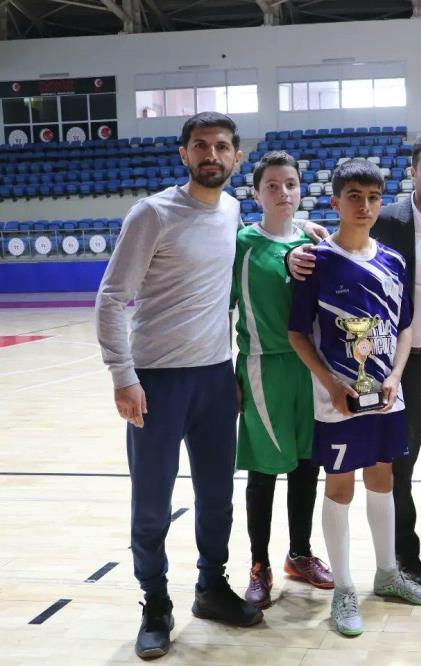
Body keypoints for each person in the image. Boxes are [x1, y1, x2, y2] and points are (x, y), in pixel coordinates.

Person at [96, 112, 263, 659]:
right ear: (183, 154)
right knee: (152, 503)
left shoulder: (236, 210)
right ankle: (155, 603)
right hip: (157, 384)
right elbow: (111, 296)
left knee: (217, 497)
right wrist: (124, 377)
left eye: (221, 146)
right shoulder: (152, 213)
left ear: (236, 157)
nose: (210, 154)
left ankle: (211, 588)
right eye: (200, 146)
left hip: (215, 380)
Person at [287, 133, 421, 589]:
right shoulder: (368, 233)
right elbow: (304, 318)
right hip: (371, 380)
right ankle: (374, 573)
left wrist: (402, 370)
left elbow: (418, 310)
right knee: (373, 476)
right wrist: (300, 243)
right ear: (412, 172)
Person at [287, 159, 421, 637]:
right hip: (337, 397)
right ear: (335, 202)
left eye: (373, 197)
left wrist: (395, 374)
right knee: (340, 484)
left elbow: (406, 326)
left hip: (387, 393)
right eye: (354, 196)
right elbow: (297, 335)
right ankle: (345, 587)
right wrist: (332, 384)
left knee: (384, 476)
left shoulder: (393, 260)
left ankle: (387, 572)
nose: (365, 206)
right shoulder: (315, 262)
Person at [232, 151, 333, 610]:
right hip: (263, 365)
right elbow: (219, 309)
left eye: (289, 184)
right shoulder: (241, 246)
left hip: (308, 367)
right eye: (271, 185)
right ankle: (258, 564)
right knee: (264, 470)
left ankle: (299, 553)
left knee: (305, 465)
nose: (282, 193)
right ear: (255, 193)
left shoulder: (316, 243)